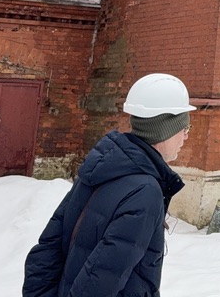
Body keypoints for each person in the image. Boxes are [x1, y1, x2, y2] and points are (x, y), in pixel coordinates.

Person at [23, 73, 196, 297]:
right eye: (185, 128)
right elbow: (101, 280)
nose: (186, 137)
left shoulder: (100, 168)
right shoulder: (145, 191)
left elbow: (47, 251)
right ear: (165, 130)